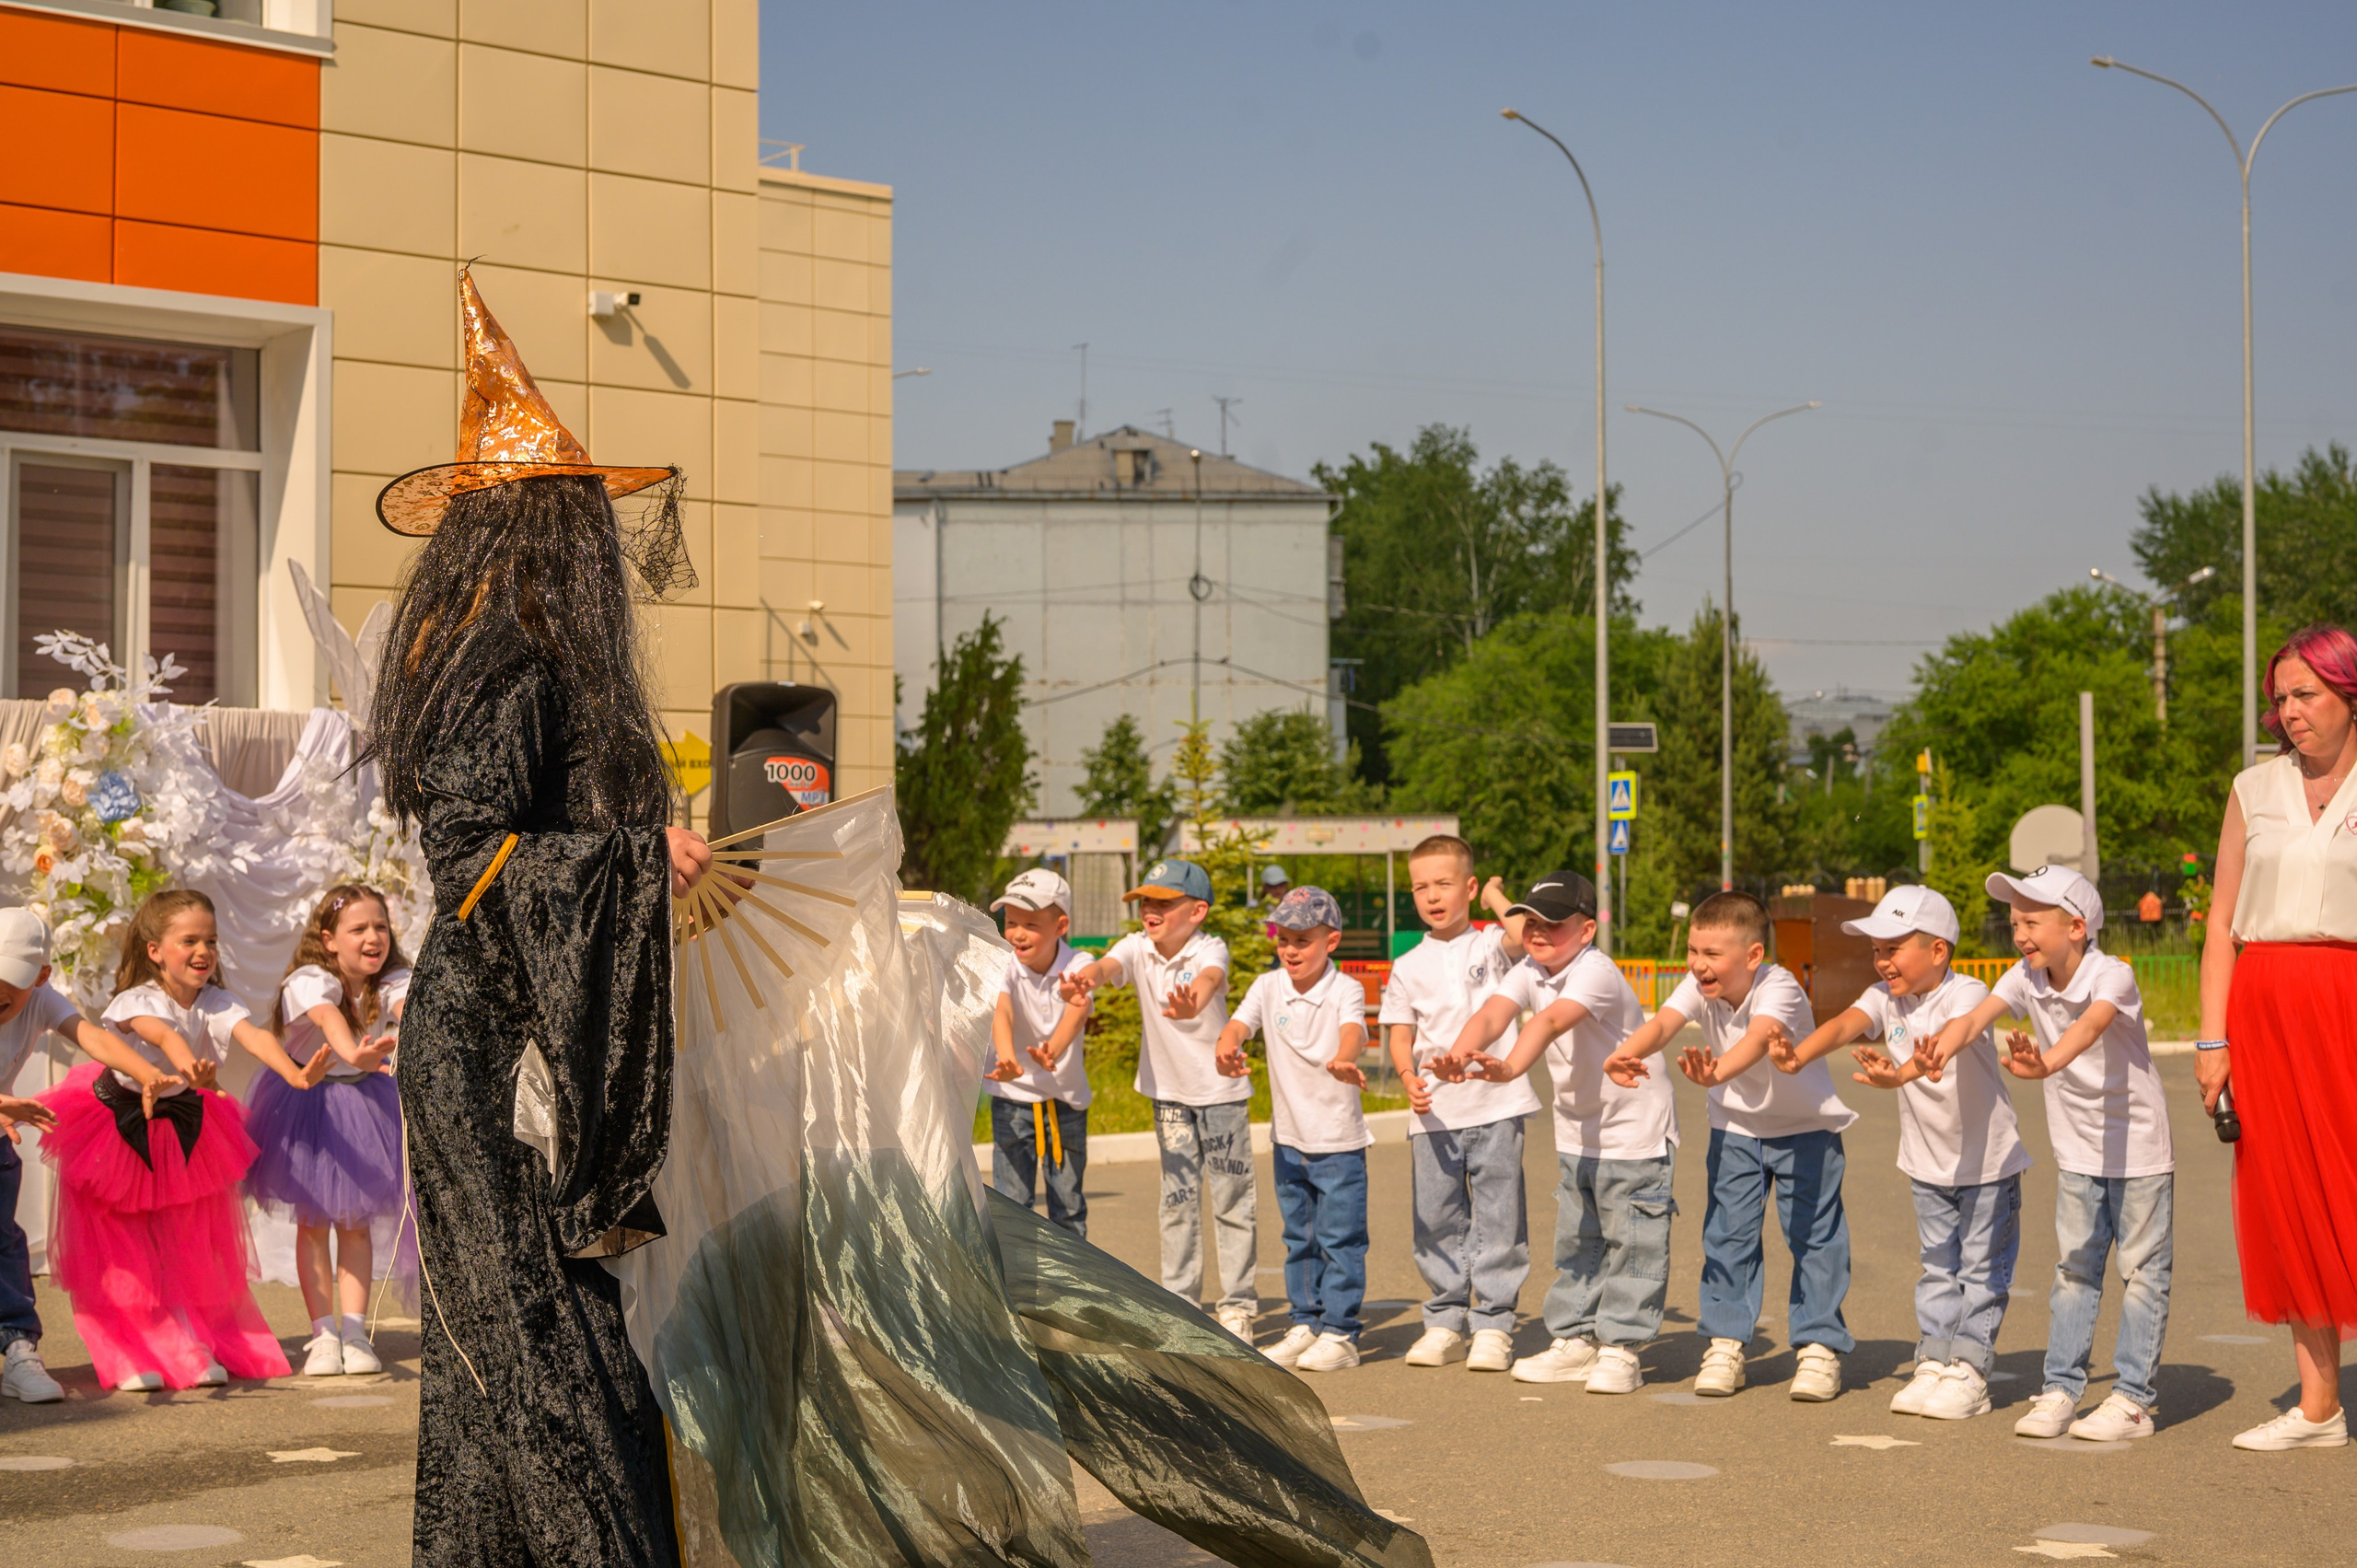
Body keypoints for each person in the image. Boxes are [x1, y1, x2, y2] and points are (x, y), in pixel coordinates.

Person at [367, 270, 709, 1565]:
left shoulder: (527, 655)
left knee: (529, 1338)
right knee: (536, 1341)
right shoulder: (505, 655)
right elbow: (468, 849)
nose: (602, 544)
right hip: (486, 1047)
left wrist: (635, 862)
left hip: (516, 1032)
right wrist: (635, 857)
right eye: (582, 517)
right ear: (543, 528)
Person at [1916, 865, 2172, 1442]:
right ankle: (2060, 1389)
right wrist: (1941, 1051)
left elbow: (2091, 1026)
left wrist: (2047, 1063)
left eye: (2031, 922)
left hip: (2138, 1147)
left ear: (2076, 927)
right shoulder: (2025, 977)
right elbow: (1975, 1018)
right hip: (2078, 1149)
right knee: (2075, 1271)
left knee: (2142, 1274)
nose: (2019, 934)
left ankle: (2133, 1399)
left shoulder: (2112, 975)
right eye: (2014, 923)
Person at [37, 889, 326, 1390]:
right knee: (125, 1249)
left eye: (210, 941)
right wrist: (184, 1063)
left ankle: (189, 1341)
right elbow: (162, 1033)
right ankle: (129, 1350)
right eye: (189, 940)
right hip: (118, 1124)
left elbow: (254, 1036)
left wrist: (294, 1072)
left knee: (184, 1242)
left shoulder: (215, 1000)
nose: (203, 951)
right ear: (154, 950)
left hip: (179, 1124)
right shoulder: (137, 999)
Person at [1765, 885, 2029, 1423]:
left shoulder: (1966, 991)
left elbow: (1958, 1032)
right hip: (1927, 1165)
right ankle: (1934, 1359)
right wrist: (1798, 1056)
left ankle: (1970, 1370)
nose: (1882, 961)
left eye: (1894, 948)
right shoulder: (1884, 998)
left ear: (1938, 951)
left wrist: (1906, 1072)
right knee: (1938, 1269)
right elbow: (1844, 1024)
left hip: (1987, 1165)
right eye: (1876, 950)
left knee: (1981, 1272)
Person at [2196, 624, 2357, 1452]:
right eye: (2281, 697)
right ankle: (2318, 1406)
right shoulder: (2253, 788)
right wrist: (2210, 1039)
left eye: (2307, 694)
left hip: (2348, 1003)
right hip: (2264, 1008)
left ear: (2348, 694)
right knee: (2289, 1195)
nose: (2290, 711)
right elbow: (2221, 921)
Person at [1604, 889, 1852, 1402]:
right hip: (1737, 1131)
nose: (1698, 964)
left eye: (1712, 954)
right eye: (1693, 951)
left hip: (1806, 1130)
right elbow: (1663, 1024)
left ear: (1753, 955)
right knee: (1728, 1237)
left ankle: (1818, 1348)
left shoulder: (1780, 986)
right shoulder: (1698, 986)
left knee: (1814, 1239)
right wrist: (1623, 1054)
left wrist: (1715, 1072)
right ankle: (1726, 1344)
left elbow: (1758, 1039)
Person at [1434, 871, 1669, 1395]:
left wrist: (1511, 1067)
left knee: (1633, 1241)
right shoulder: (1530, 970)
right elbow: (1493, 1014)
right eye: (1533, 922)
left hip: (1634, 1129)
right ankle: (1576, 1340)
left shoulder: (1595, 972)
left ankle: (1622, 1348)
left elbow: (1549, 1023)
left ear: (1586, 931)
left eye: (1554, 924)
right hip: (1578, 1130)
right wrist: (1459, 1054)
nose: (1539, 932)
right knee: (1578, 1240)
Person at [1061, 857, 1255, 1336]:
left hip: (1221, 1095)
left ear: (1197, 911)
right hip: (1168, 1096)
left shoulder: (1210, 948)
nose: (1150, 909)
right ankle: (1181, 1302)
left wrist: (1195, 1001)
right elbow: (1107, 966)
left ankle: (1237, 1306)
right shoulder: (1137, 947)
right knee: (1178, 1197)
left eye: (1165, 903)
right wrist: (1088, 979)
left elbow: (1210, 979)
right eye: (1145, 900)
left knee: (1232, 1200)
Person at [1, 907, 179, 1405]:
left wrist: (148, 1074)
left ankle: (18, 1348)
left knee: (5, 1243)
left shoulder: (41, 1000)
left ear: (41, 977)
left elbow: (93, 1036)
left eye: (11, 981)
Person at [1379, 835, 1534, 1374]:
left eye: (1444, 884)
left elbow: (1527, 936)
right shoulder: (1407, 964)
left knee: (1499, 1216)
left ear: (1468, 887)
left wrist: (1495, 896)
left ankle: (1493, 1323)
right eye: (1420, 887)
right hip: (1434, 1112)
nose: (1432, 896)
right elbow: (1401, 1036)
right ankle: (1444, 1320)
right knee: (1436, 1217)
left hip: (1497, 1103)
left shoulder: (1490, 945)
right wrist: (1407, 1076)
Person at [250, 883, 412, 1378]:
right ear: (328, 940)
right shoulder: (310, 981)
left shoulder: (391, 979)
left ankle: (356, 1331)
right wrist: (352, 1053)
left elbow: (408, 1005)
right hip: (310, 1105)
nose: (373, 937)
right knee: (315, 1223)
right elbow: (328, 1019)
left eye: (380, 926)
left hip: (367, 1102)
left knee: (356, 1224)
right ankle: (323, 1334)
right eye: (358, 928)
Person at [1220, 887, 1372, 1372]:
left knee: (1340, 1239)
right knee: (1299, 1239)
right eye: (1283, 938)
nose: (1290, 949)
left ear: (1332, 941)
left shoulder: (1345, 989)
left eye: (1303, 940)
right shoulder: (1268, 987)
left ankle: (1341, 1332)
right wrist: (1227, 1044)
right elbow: (1239, 1024)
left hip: (1338, 1142)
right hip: (1288, 1141)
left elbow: (1354, 1030)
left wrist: (1345, 1058)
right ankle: (1306, 1322)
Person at [982, 867, 1094, 1237]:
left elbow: (1078, 1009)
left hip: (1066, 1102)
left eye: (1030, 924)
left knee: (1069, 1209)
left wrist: (1053, 1051)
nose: (1017, 933)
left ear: (1061, 926)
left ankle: (1073, 1273)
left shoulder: (1077, 964)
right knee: (1014, 1208)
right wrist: (1007, 1057)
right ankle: (1019, 1276)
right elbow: (1002, 1008)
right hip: (1012, 1098)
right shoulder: (1003, 961)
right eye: (1011, 922)